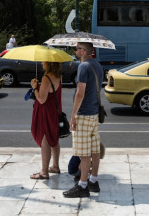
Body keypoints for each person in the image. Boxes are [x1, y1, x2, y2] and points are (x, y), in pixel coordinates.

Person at [63, 42, 104, 198]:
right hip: (93, 114)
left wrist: (73, 116)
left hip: (83, 114)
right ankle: (93, 181)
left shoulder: (83, 67)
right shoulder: (97, 66)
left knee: (84, 153)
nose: (75, 51)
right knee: (95, 151)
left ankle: (83, 185)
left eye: (77, 48)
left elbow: (80, 93)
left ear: (84, 51)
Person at [29, 61, 62, 180]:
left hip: (45, 112)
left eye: (44, 61)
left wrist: (34, 87)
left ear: (48, 63)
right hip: (55, 111)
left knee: (45, 139)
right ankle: (55, 166)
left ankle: (44, 172)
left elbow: (41, 99)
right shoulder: (58, 75)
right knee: (54, 138)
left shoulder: (46, 78)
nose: (42, 62)